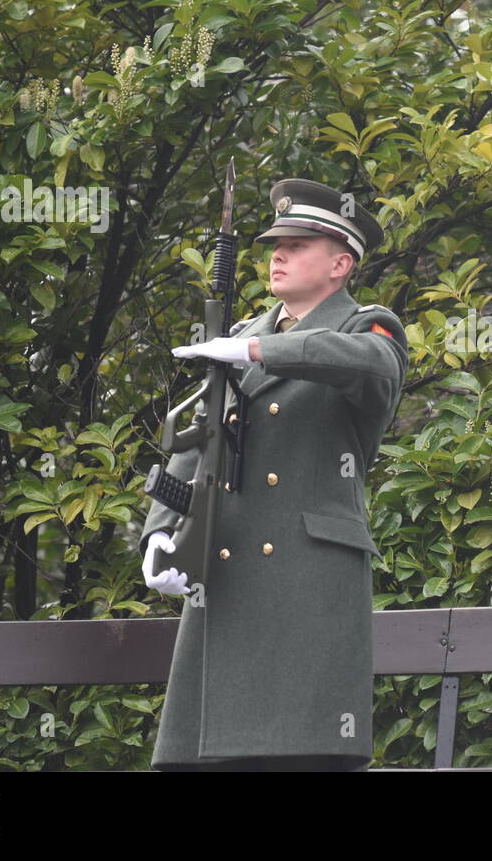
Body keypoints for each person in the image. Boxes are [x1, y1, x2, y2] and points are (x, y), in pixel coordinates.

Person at [138, 179, 409, 770]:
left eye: (297, 244)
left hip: (306, 583)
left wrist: (259, 354)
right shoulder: (238, 337)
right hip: (226, 572)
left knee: (299, 754)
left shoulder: (370, 328)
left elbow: (368, 365)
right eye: (273, 245)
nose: (277, 255)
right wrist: (162, 530)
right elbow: (197, 440)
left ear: (341, 263)